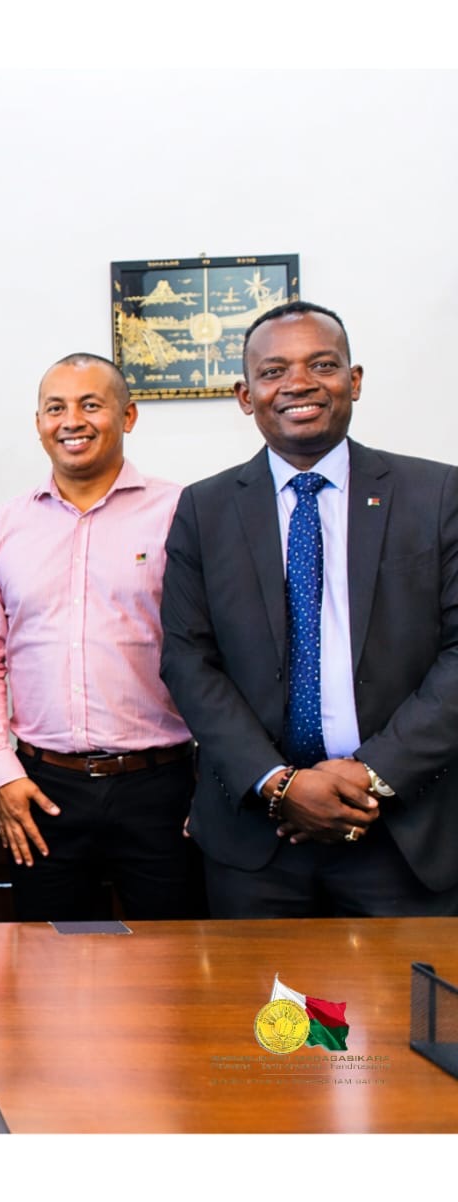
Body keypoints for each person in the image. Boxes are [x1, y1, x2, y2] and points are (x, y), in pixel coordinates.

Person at [160, 300, 458, 917]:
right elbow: (188, 661)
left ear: (354, 380)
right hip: (255, 837)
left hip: (402, 829)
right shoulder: (203, 510)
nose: (298, 383)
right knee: (264, 989)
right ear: (246, 395)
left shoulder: (437, 494)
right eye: (274, 371)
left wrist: (369, 775)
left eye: (321, 365)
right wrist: (279, 784)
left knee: (412, 988)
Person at [0, 353, 197, 921]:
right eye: (55, 408)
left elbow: (215, 651)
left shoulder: (180, 512)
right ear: (38, 422)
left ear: (128, 415)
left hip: (161, 785)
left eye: (91, 405)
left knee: (175, 958)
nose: (72, 421)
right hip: (42, 789)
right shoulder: (1, 525)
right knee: (48, 960)